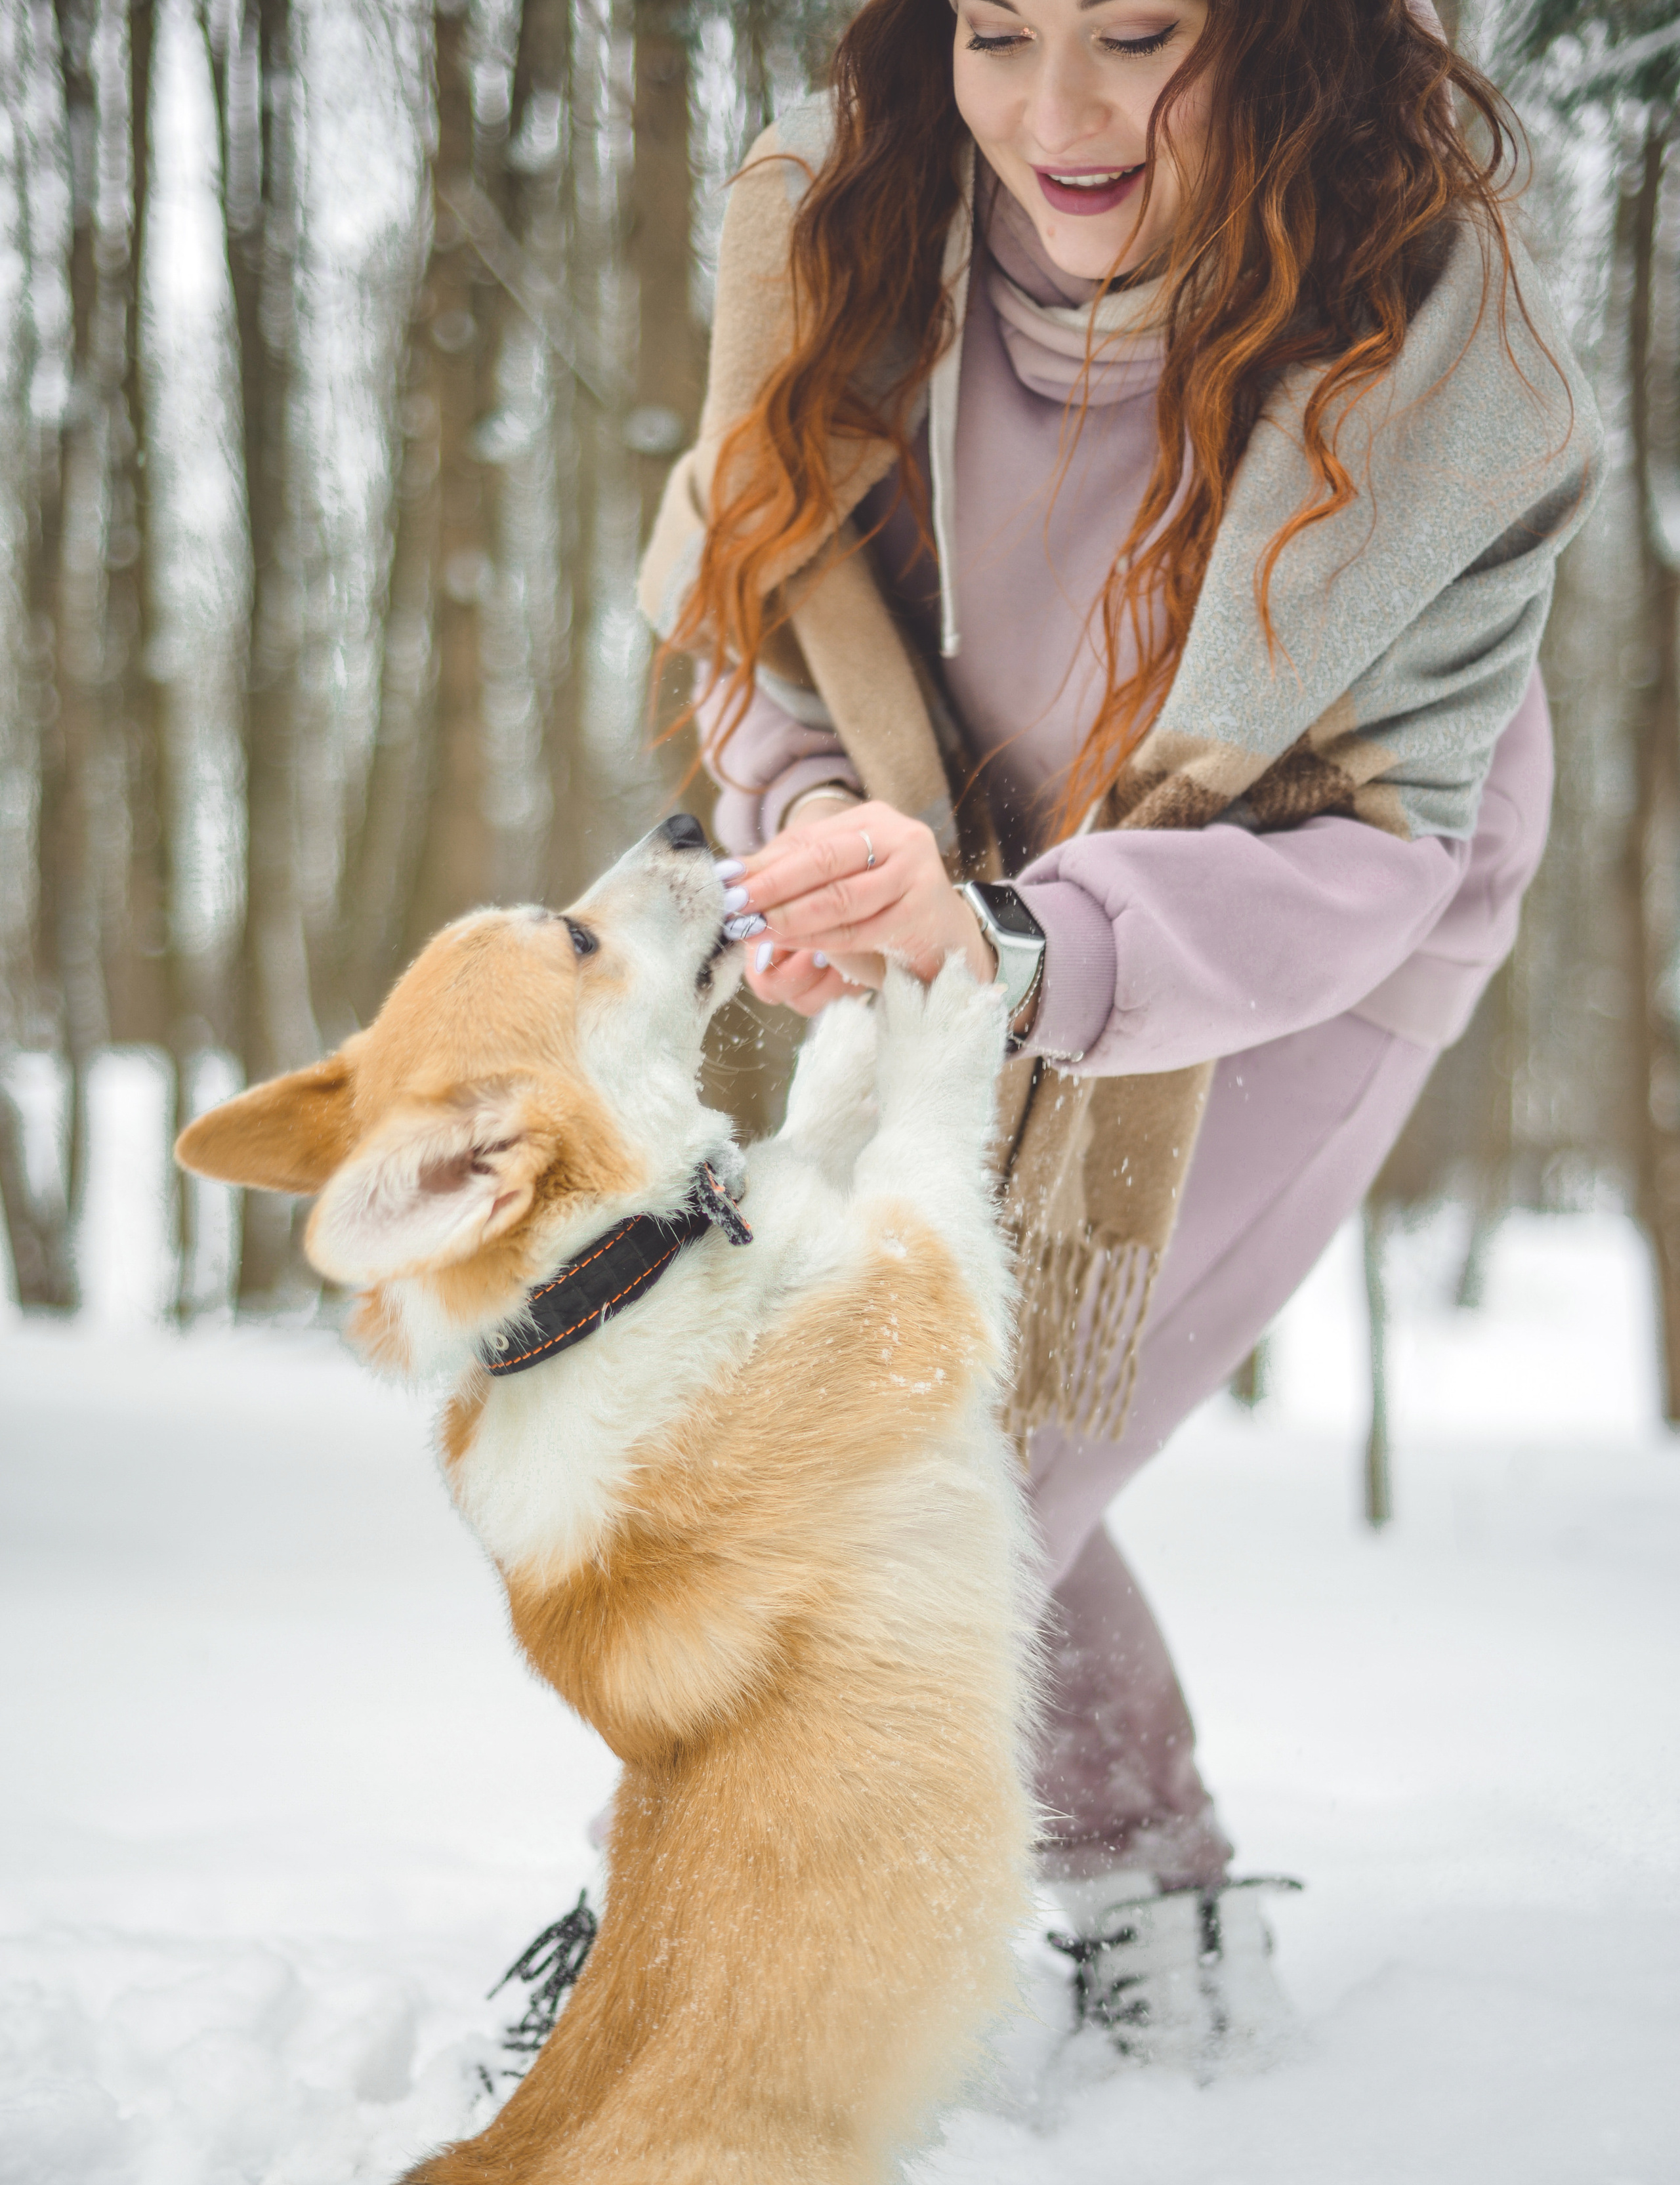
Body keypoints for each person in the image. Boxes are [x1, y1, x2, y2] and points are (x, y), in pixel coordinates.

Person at [637, 0, 1599, 2064]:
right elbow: (763, 592)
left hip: (1299, 915)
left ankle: (713, 1983)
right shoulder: (839, 214)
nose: (1054, 116)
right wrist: (822, 834)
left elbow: (1367, 854)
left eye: (1137, 36)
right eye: (995, 34)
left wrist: (1011, 942)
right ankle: (1154, 1898)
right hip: (961, 857)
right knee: (867, 1378)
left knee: (941, 1441)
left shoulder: (1443, 355)